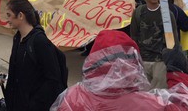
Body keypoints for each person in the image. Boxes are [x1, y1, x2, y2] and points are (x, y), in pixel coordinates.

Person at [50, 30, 188, 111]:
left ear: (92, 60)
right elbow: (182, 104)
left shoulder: (71, 98)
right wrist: (177, 73)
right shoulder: (149, 104)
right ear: (134, 62)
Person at [5, 0, 63, 111]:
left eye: (9, 15)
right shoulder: (17, 38)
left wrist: (34, 104)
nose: (7, 19)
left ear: (20, 16)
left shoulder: (40, 41)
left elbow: (53, 79)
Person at [130, 0, 178, 89]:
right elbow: (134, 36)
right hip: (142, 60)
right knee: (144, 97)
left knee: (159, 97)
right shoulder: (138, 12)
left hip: (160, 62)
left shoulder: (166, 13)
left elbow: (173, 40)